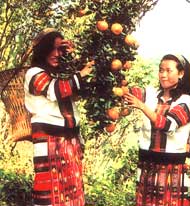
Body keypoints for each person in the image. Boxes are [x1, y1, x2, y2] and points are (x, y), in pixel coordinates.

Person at [24, 28, 94, 206]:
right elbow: (56, 90)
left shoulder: (62, 74)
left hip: (69, 140)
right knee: (49, 192)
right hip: (49, 140)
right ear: (42, 51)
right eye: (51, 49)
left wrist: (72, 57)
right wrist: (81, 74)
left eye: (59, 50)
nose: (56, 54)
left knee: (71, 190)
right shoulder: (34, 73)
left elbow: (75, 87)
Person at [124, 54, 190, 206]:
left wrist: (141, 106)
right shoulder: (150, 94)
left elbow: (167, 125)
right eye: (161, 70)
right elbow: (127, 93)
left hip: (170, 167)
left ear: (181, 74)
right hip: (147, 164)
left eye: (168, 70)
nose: (163, 75)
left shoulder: (186, 101)